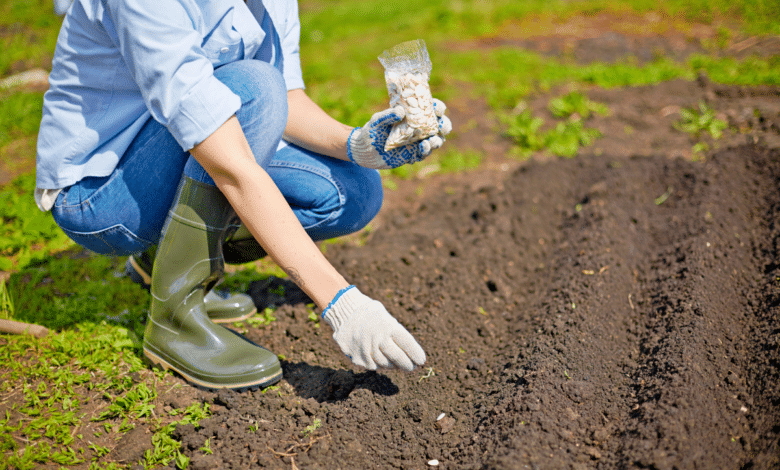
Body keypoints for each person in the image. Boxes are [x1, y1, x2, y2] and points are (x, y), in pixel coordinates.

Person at [35, 0, 452, 390]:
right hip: (102, 193)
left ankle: (160, 260)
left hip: (195, 142)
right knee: (252, 85)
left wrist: (358, 145)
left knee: (354, 192)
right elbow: (230, 159)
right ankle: (175, 321)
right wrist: (341, 302)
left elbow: (285, 99)